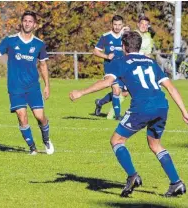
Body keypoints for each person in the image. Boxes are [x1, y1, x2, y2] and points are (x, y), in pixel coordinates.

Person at [69, 31, 187, 197]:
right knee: (155, 145)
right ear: (138, 46)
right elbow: (171, 87)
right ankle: (176, 183)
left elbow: (107, 82)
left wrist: (81, 92)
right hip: (162, 106)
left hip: (142, 107)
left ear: (123, 46)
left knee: (116, 140)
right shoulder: (151, 62)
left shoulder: (121, 61)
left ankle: (133, 176)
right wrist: (184, 111)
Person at [0, 11, 54, 155]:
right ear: (21, 22)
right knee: (22, 116)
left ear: (35, 25)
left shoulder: (39, 44)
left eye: (30, 21)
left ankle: (46, 139)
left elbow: (43, 65)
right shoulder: (10, 40)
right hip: (15, 87)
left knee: (40, 117)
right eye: (25, 20)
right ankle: (32, 148)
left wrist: (47, 86)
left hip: (33, 86)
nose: (27, 23)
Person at [93, 15, 127, 120]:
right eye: (115, 24)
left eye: (119, 25)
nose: (117, 27)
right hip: (110, 68)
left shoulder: (125, 36)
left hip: (123, 68)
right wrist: (106, 56)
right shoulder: (106, 36)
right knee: (116, 90)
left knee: (123, 92)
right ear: (112, 24)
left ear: (122, 25)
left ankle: (100, 102)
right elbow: (95, 51)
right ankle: (117, 116)